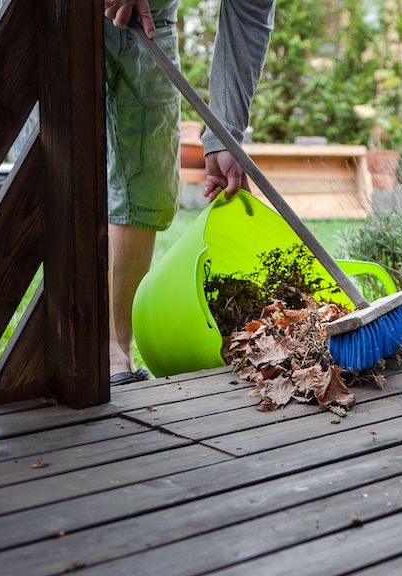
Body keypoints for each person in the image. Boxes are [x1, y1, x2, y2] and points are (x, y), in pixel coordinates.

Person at [103, 0, 274, 384]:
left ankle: (118, 347)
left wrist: (224, 132)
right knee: (63, 173)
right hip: (53, 16)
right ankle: (87, 344)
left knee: (147, 186)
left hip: (151, 17)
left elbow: (249, 11)